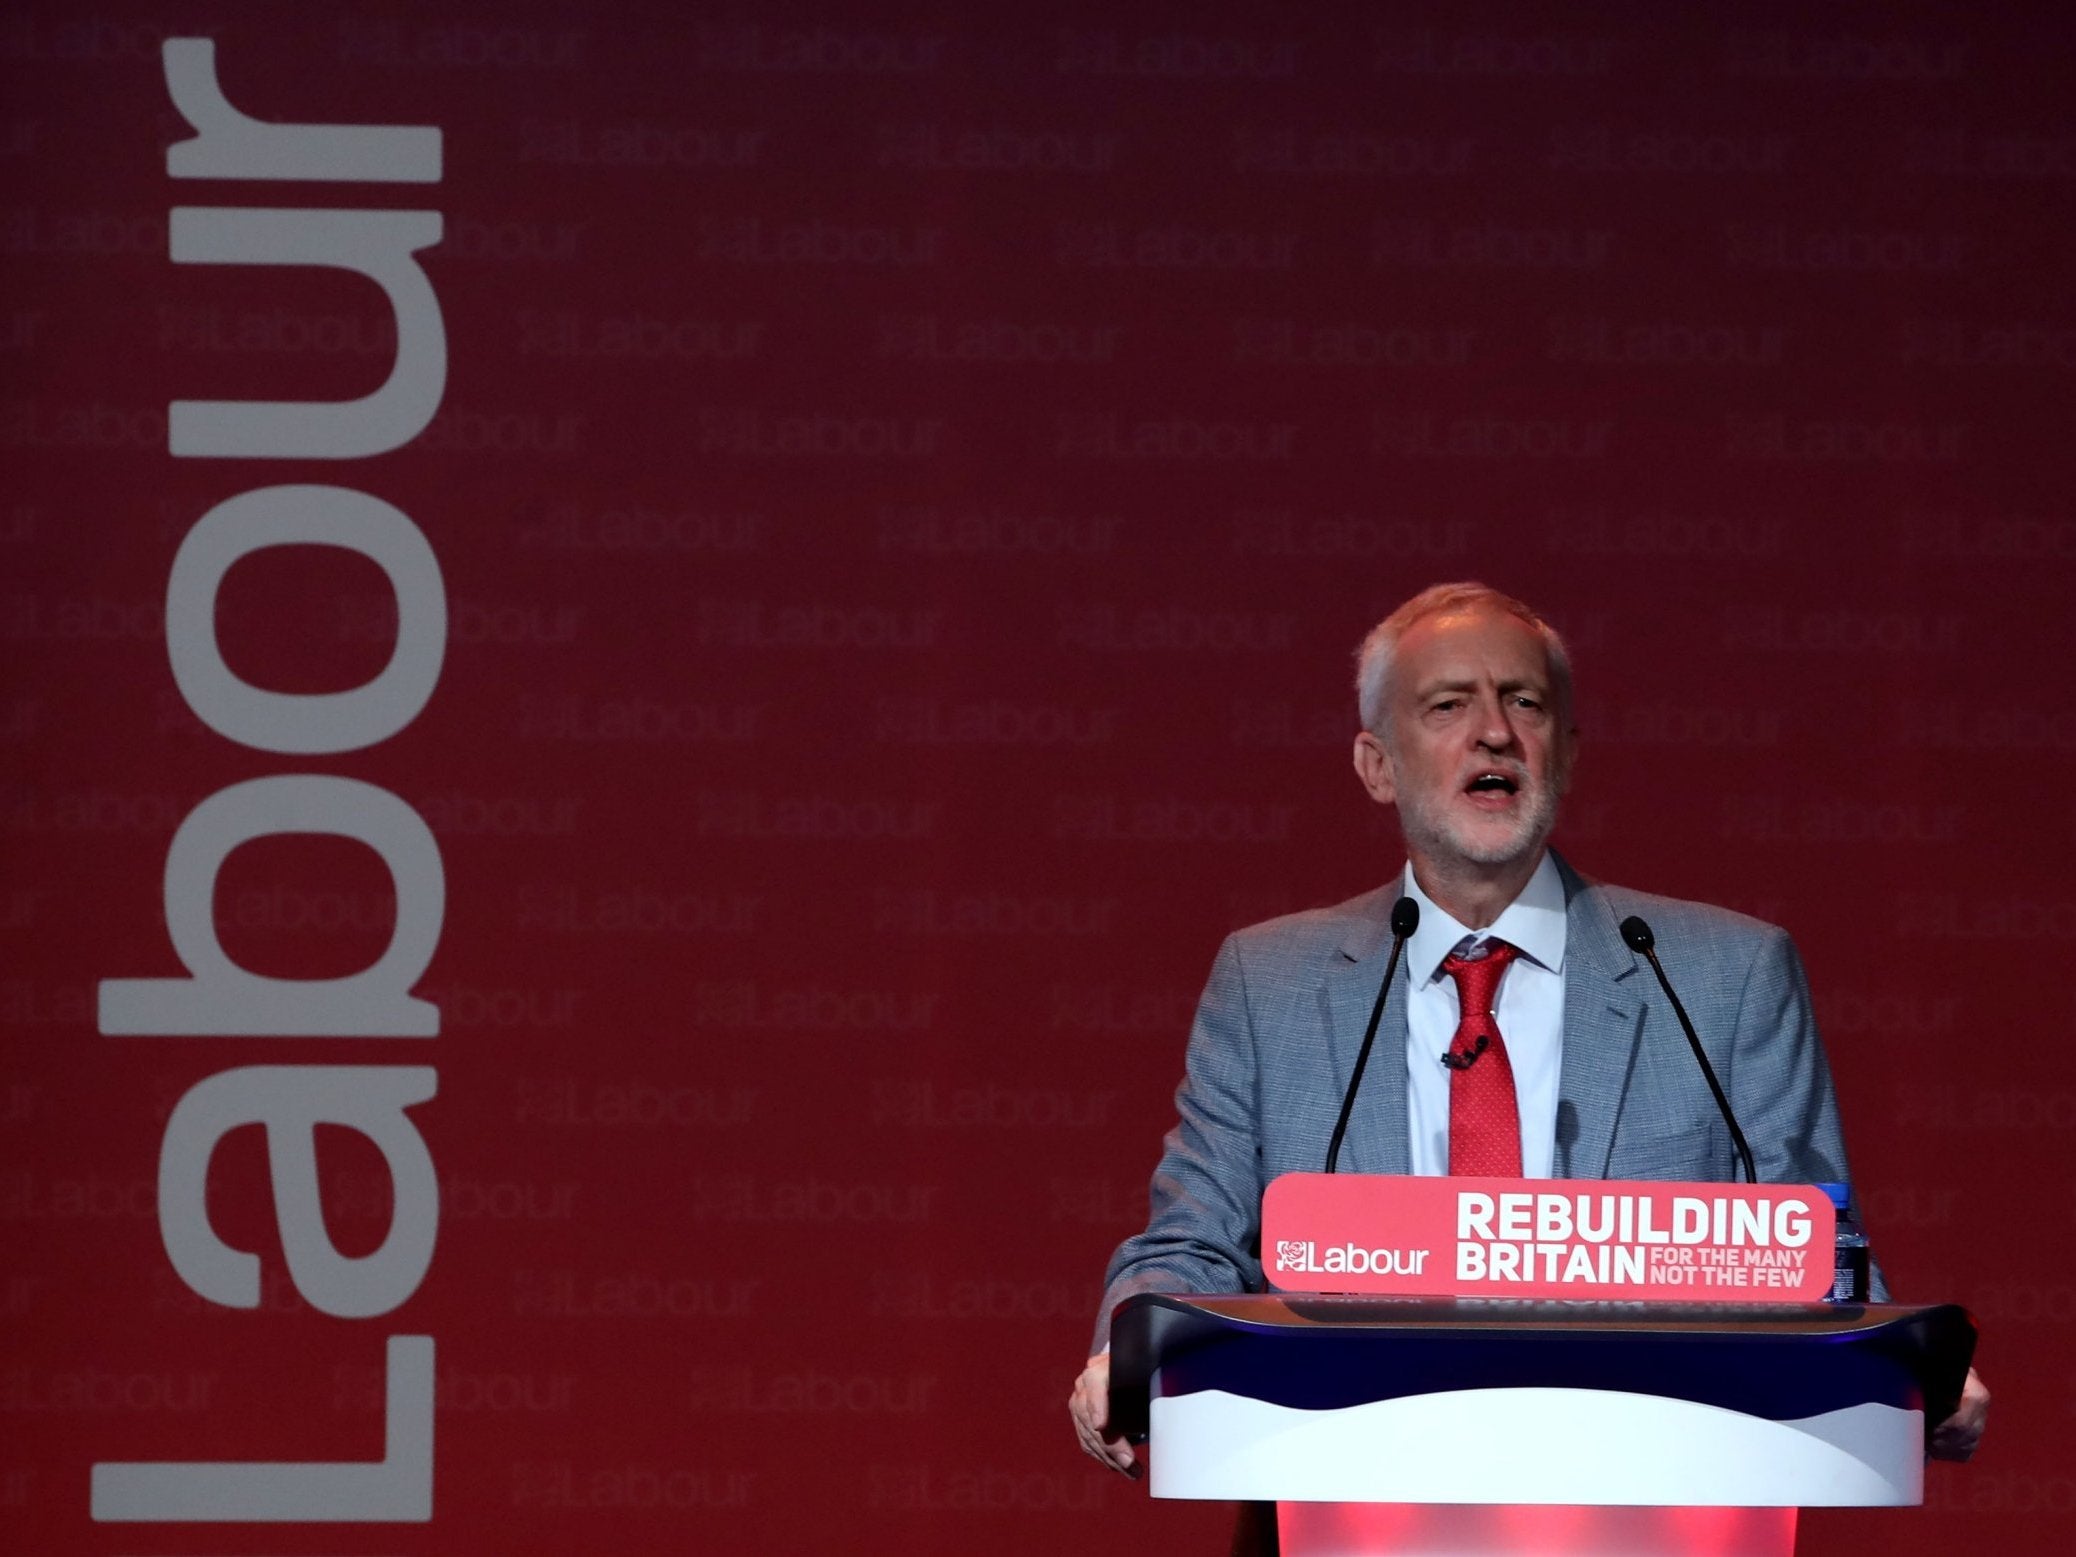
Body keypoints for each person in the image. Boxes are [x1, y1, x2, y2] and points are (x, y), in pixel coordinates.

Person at [1069, 582, 1988, 1476]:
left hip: (1654, 1496)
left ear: (1568, 751)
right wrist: (1134, 1342)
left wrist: (1911, 1371)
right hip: (1350, 1491)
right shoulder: (1270, 985)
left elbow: (1817, 1255)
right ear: (1376, 764)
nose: (1495, 730)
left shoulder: (1725, 976)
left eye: (1524, 701)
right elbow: (1189, 1244)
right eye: (1447, 704)